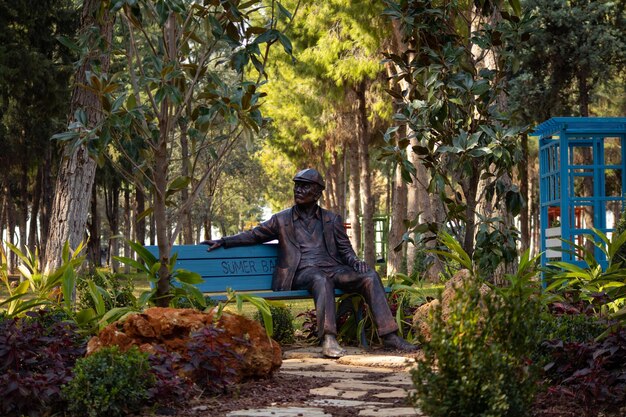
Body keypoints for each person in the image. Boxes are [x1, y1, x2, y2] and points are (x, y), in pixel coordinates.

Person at [203, 168, 417, 358]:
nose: (298, 190)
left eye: (304, 187)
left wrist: (356, 263)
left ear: (317, 192)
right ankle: (329, 339)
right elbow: (253, 235)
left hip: (334, 269)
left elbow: (345, 250)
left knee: (369, 276)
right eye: (297, 186)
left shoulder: (331, 220)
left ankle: (389, 336)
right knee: (320, 279)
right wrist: (224, 241)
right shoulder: (281, 219)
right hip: (300, 273)